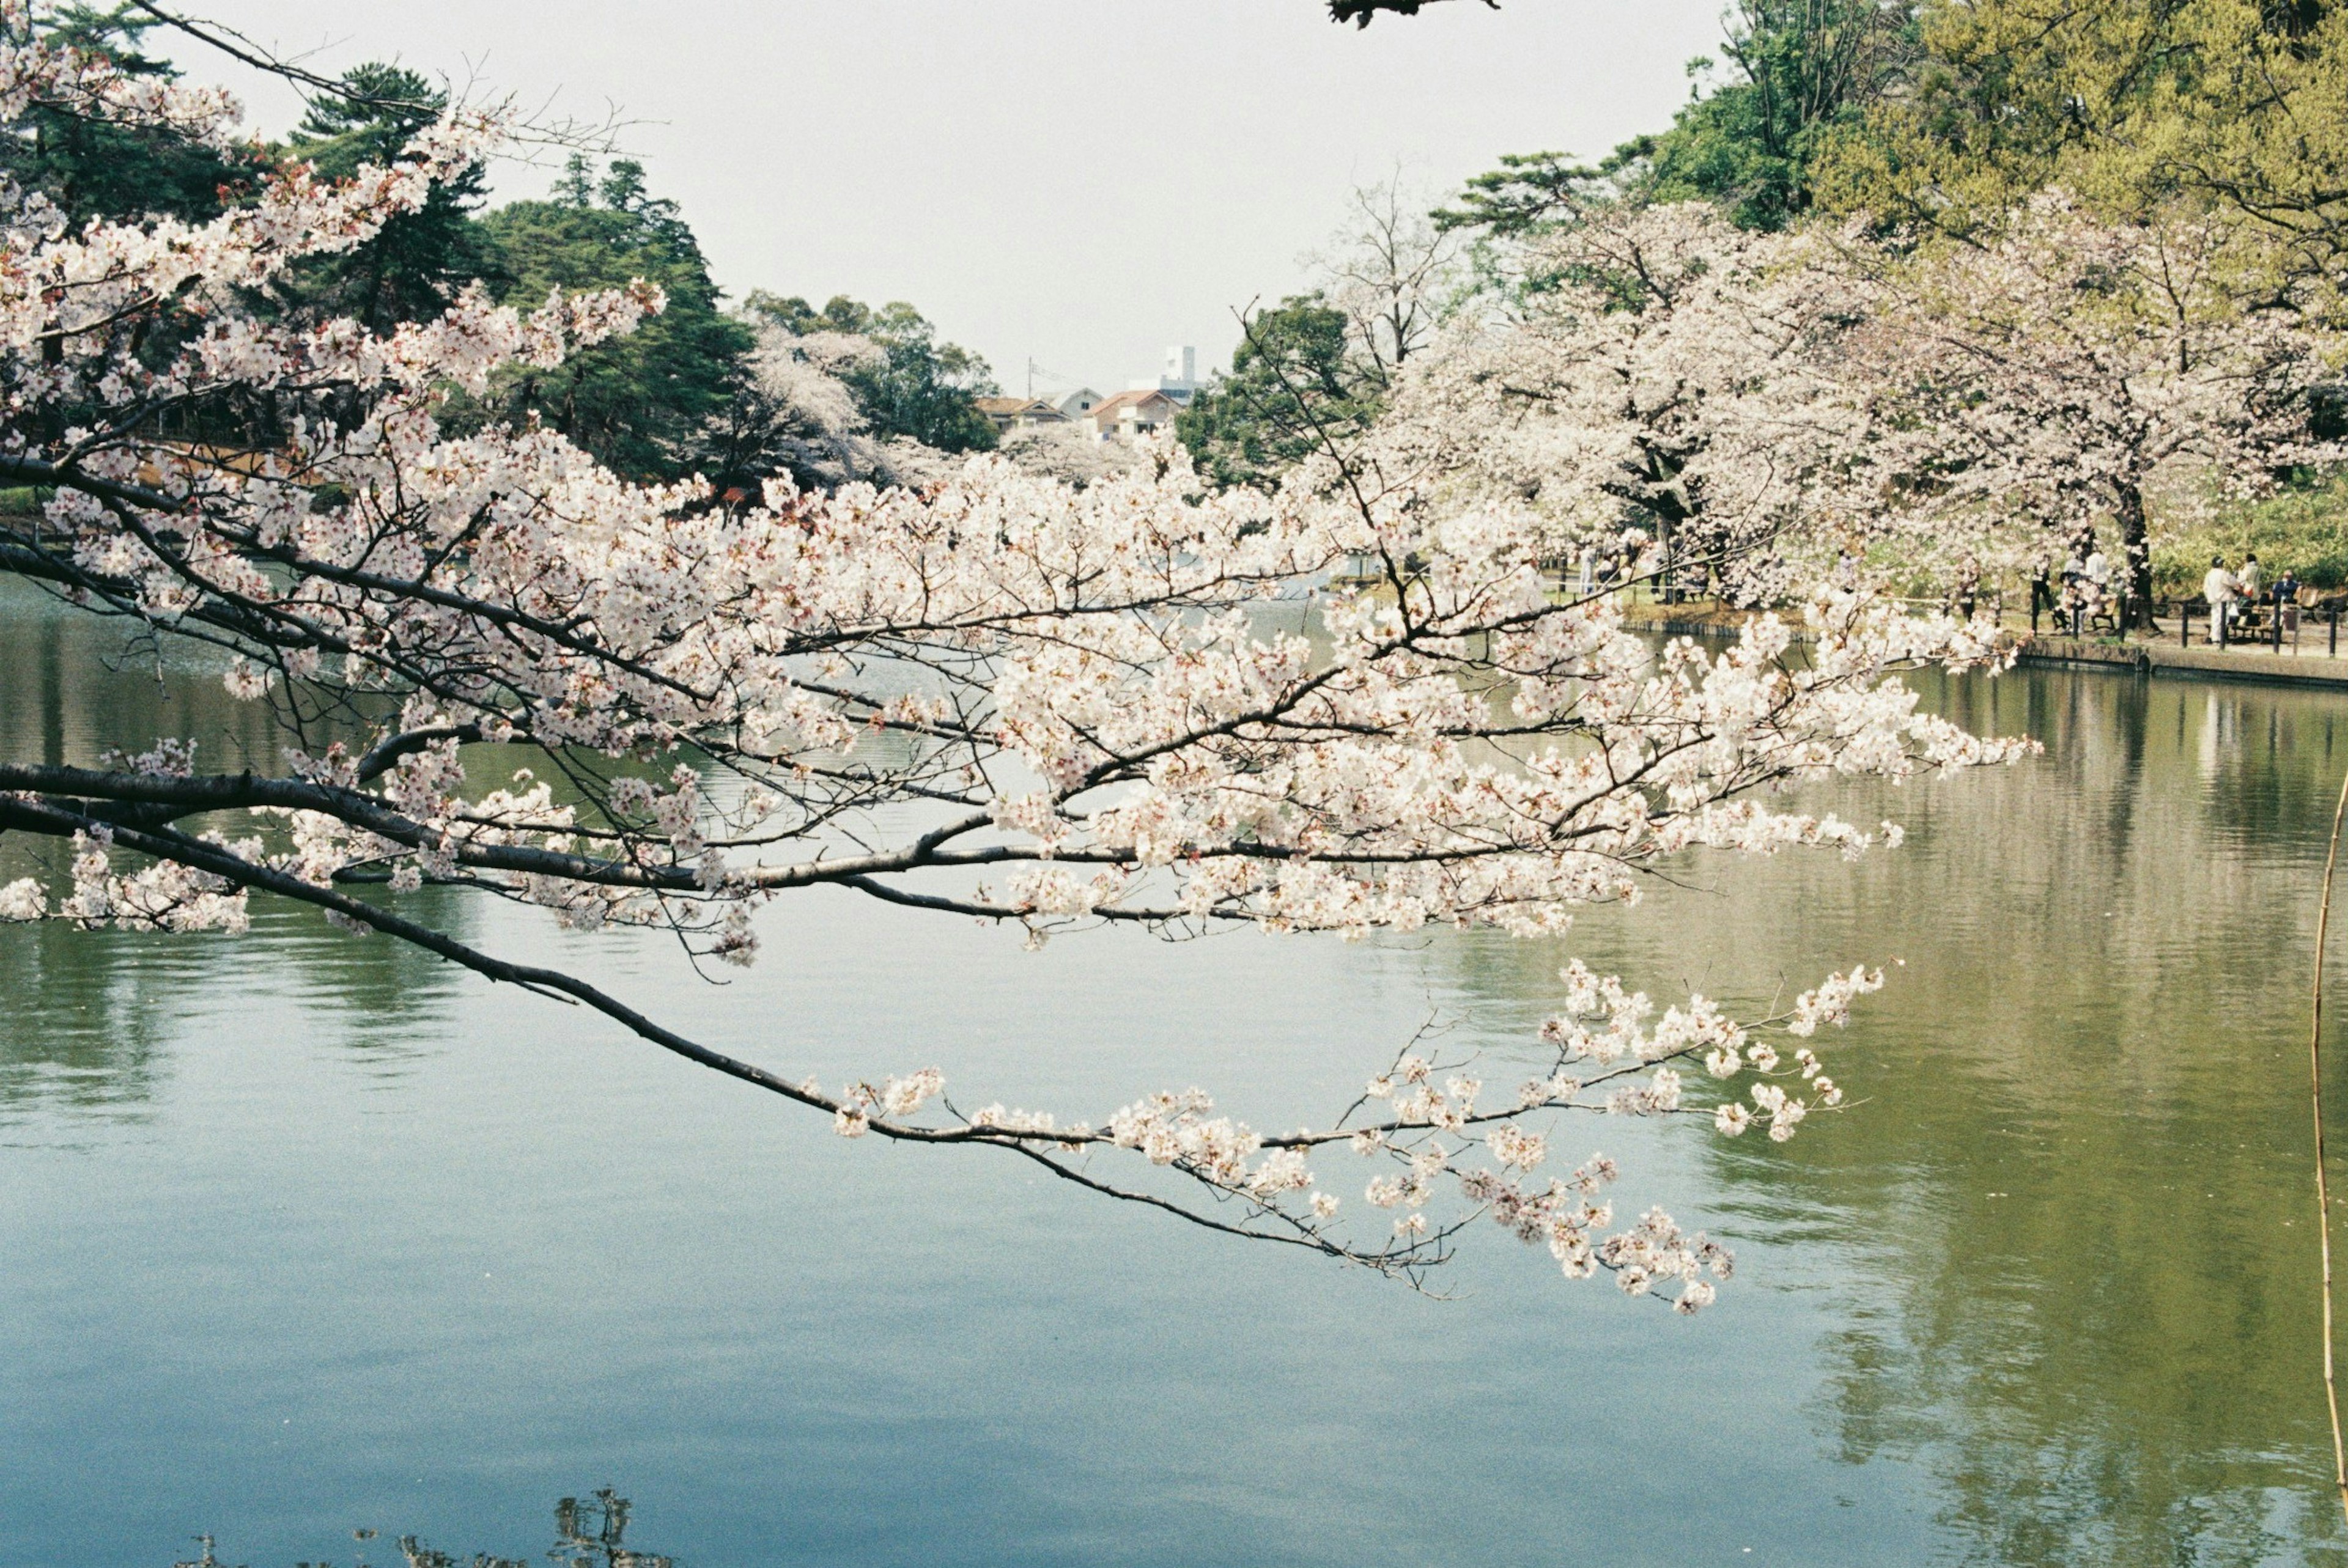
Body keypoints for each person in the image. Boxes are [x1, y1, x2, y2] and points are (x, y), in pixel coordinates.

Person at [2204, 555, 2238, 644]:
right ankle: (2218, 639)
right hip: (2223, 599)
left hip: (2213, 599)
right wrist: (2234, 576)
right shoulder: (2223, 573)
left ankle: (2213, 637)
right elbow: (2233, 583)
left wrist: (2209, 597)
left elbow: (2205, 588)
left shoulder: (2209, 574)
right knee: (2223, 619)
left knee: (2215, 618)